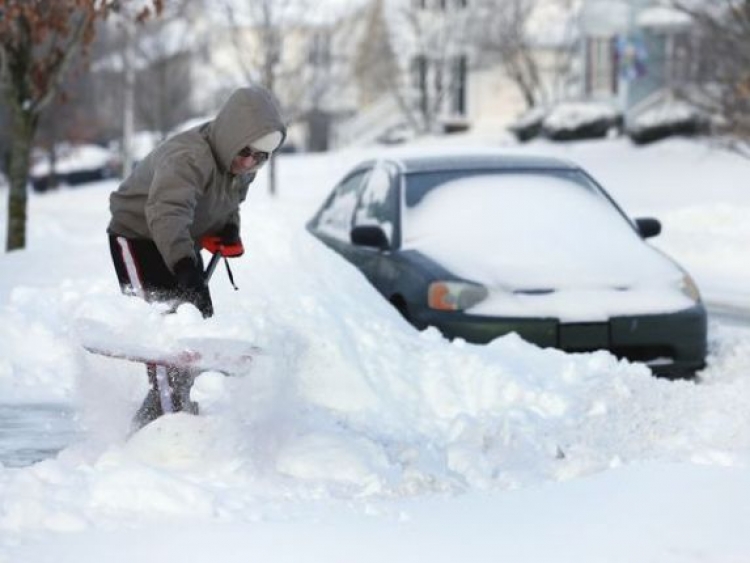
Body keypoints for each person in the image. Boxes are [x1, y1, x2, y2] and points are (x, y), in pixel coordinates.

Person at [107, 85, 286, 429]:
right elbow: (167, 211)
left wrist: (229, 227)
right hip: (138, 235)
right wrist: (186, 266)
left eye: (261, 157)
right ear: (233, 136)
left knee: (194, 326)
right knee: (165, 332)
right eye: (247, 152)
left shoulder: (242, 165)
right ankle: (166, 428)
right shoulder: (189, 157)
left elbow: (230, 200)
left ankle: (168, 414)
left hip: (179, 241)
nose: (250, 162)